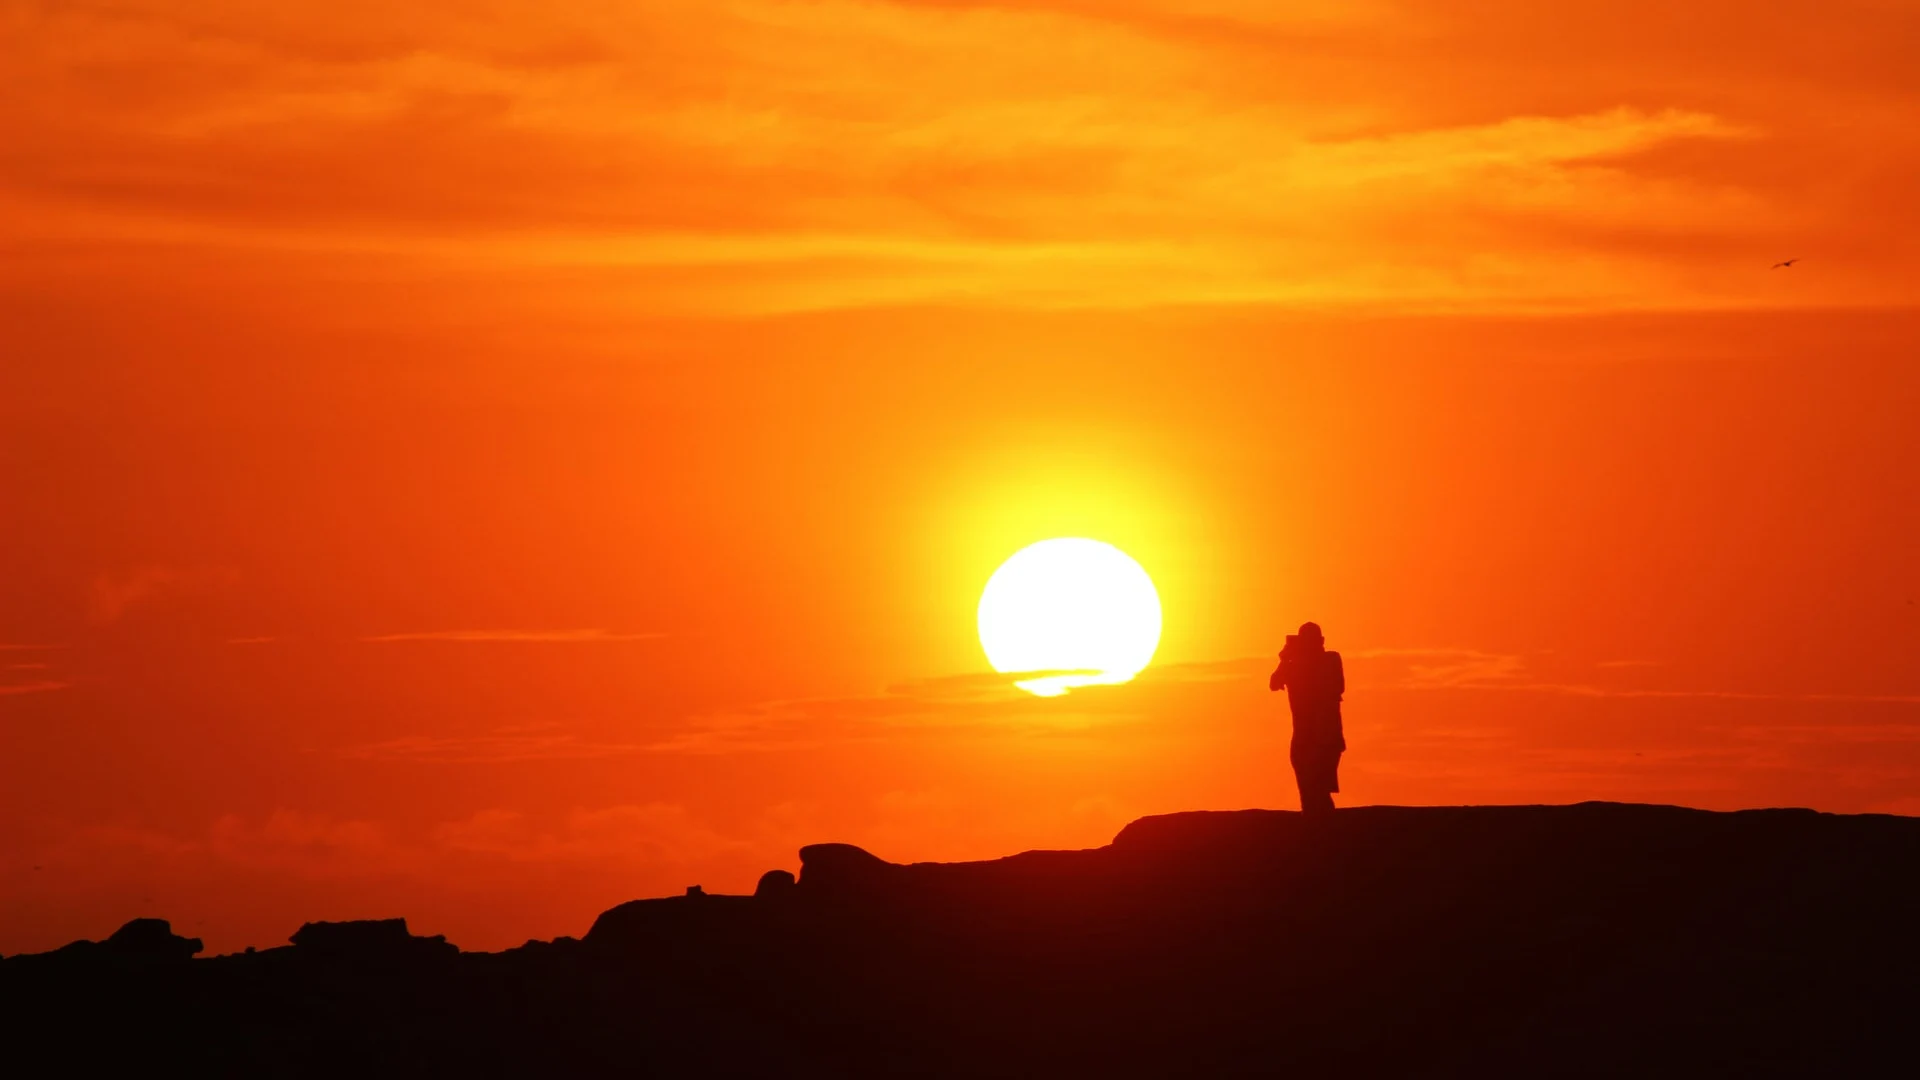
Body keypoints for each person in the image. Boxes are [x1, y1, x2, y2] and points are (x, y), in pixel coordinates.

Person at [1269, 622, 1345, 817]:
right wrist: (1285, 660)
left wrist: (1290, 660)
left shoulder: (1330, 660)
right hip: (1305, 737)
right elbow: (1274, 683)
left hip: (1325, 736)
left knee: (1318, 790)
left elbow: (1337, 686)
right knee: (1310, 793)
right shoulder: (1294, 667)